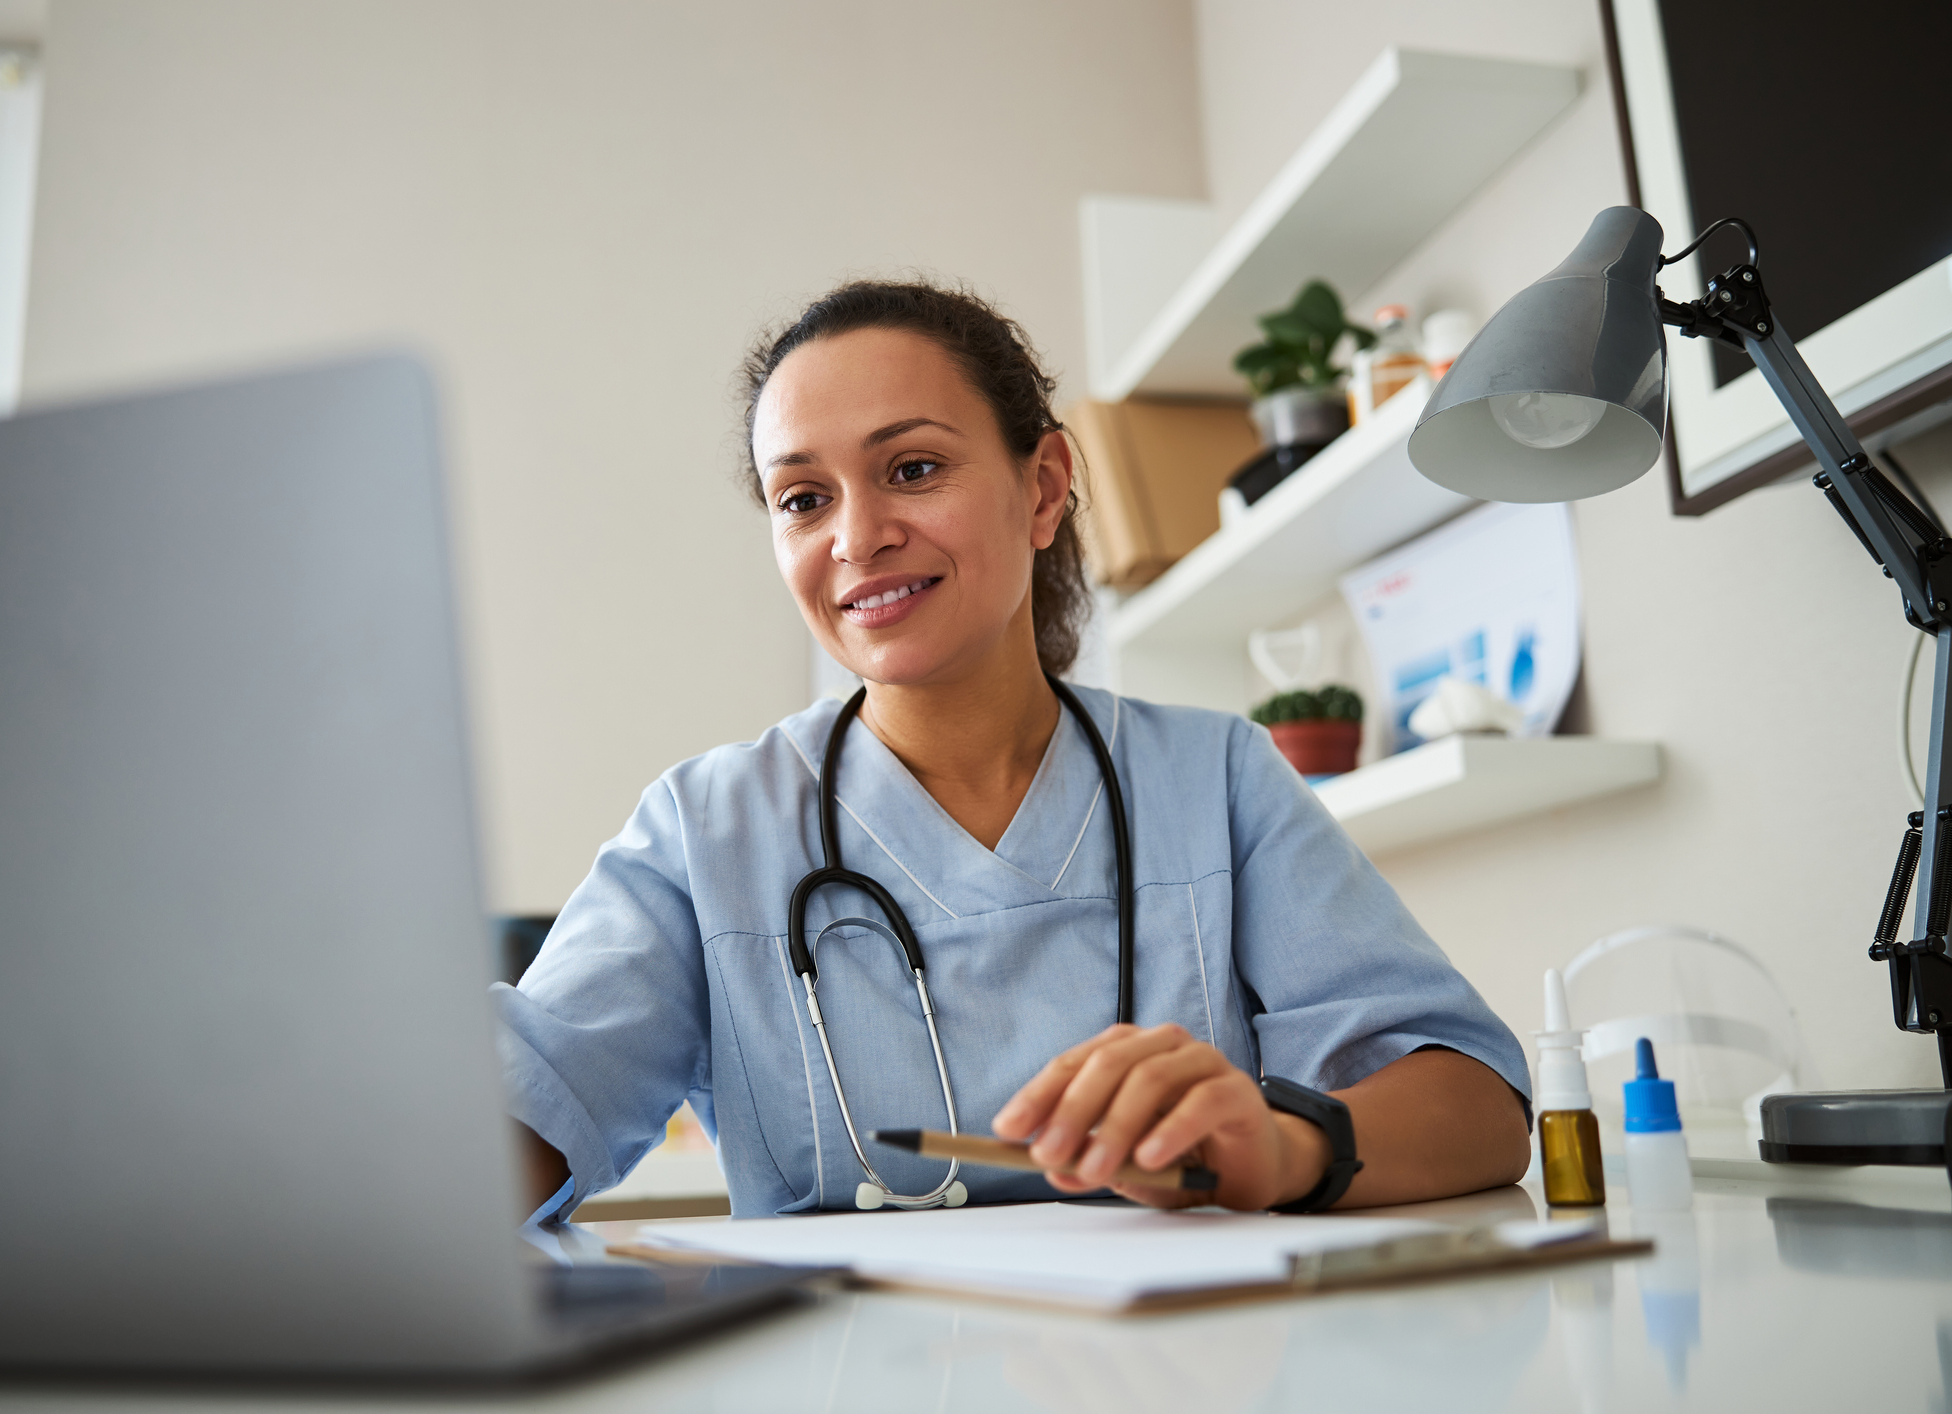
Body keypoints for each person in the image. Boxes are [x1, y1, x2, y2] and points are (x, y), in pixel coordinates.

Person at [496, 280, 1529, 1219]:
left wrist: (1286, 1145)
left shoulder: (1215, 780)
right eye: (802, 498)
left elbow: (1477, 1105)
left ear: (1041, 490)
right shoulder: (704, 831)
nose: (856, 537)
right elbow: (515, 1123)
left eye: (913, 468)